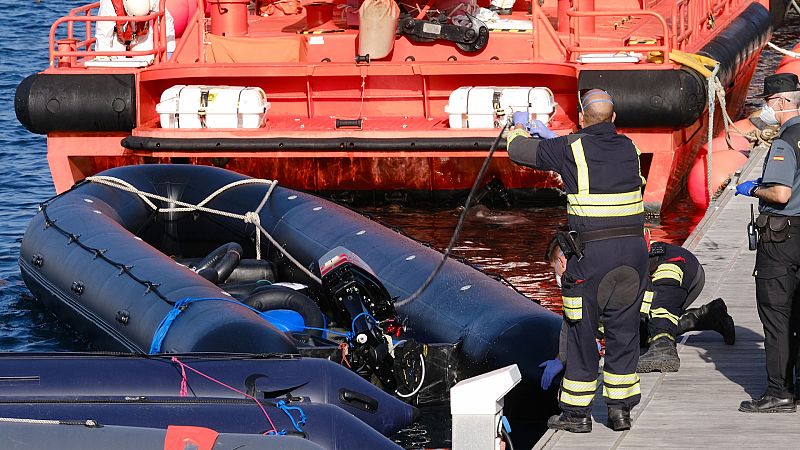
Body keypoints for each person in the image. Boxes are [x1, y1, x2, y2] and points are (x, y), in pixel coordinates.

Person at [508, 89, 650, 433]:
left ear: (582, 119)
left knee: (581, 331)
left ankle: (576, 413)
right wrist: (559, 138)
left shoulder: (570, 147)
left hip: (593, 257)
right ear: (614, 119)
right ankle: (620, 412)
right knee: (624, 330)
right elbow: (592, 157)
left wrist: (517, 126)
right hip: (634, 255)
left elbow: (519, 152)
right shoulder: (629, 148)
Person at [541, 236, 735, 382]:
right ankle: (709, 316)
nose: (556, 276)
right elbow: (577, 320)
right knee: (637, 330)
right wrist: (562, 357)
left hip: (676, 267)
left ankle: (663, 349)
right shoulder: (586, 273)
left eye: (554, 270)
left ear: (562, 262)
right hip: (669, 282)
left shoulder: (593, 266)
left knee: (657, 310)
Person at [736, 73, 800, 413]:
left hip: (782, 235)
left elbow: (780, 192)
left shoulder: (786, 141)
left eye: (768, 102)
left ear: (779, 102)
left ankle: (779, 392)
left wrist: (753, 188)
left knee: (777, 315)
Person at [95, 0, 176, 62]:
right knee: (115, 66)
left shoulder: (153, 1)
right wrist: (102, 54)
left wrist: (169, 50)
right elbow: (103, 30)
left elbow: (166, 20)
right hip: (117, 38)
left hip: (142, 36)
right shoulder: (109, 3)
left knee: (147, 62)